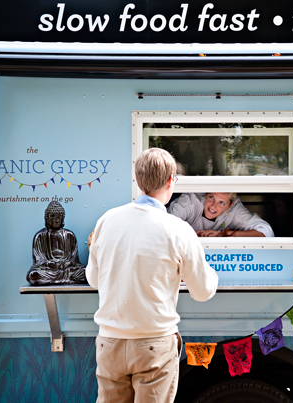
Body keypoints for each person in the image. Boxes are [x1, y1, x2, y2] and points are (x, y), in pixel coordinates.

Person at [86, 148, 218, 403]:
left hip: (110, 343)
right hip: (154, 345)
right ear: (171, 181)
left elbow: (94, 279)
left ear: (138, 180)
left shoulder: (107, 220)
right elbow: (202, 292)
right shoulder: (178, 229)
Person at [26, 200, 86, 285]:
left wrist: (69, 263)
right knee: (33, 275)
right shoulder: (40, 236)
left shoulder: (69, 235)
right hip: (49, 270)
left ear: (63, 218)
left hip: (67, 269)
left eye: (59, 217)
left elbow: (74, 259)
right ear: (46, 218)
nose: (56, 220)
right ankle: (66, 280)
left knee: (85, 272)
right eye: (52, 217)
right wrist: (49, 263)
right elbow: (38, 260)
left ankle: (54, 281)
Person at [167, 193, 274, 237]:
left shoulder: (235, 209)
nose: (213, 206)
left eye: (221, 203)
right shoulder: (189, 202)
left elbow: (266, 232)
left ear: (230, 205)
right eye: (211, 197)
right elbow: (164, 229)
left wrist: (225, 234)